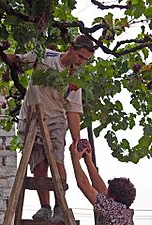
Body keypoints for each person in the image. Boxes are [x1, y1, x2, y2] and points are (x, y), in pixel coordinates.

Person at [17, 35, 95, 223]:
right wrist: (0, 54)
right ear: (71, 48)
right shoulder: (44, 56)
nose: (81, 62)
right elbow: (19, 61)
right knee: (38, 164)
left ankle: (60, 206)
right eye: (80, 56)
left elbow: (73, 111)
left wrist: (77, 141)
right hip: (32, 117)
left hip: (56, 121)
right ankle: (45, 207)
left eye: (86, 59)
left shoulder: (75, 80)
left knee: (57, 161)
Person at [69, 140, 136, 225]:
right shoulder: (123, 213)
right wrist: (88, 160)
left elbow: (83, 184)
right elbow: (102, 189)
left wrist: (74, 158)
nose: (105, 192)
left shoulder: (111, 209)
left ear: (113, 197)